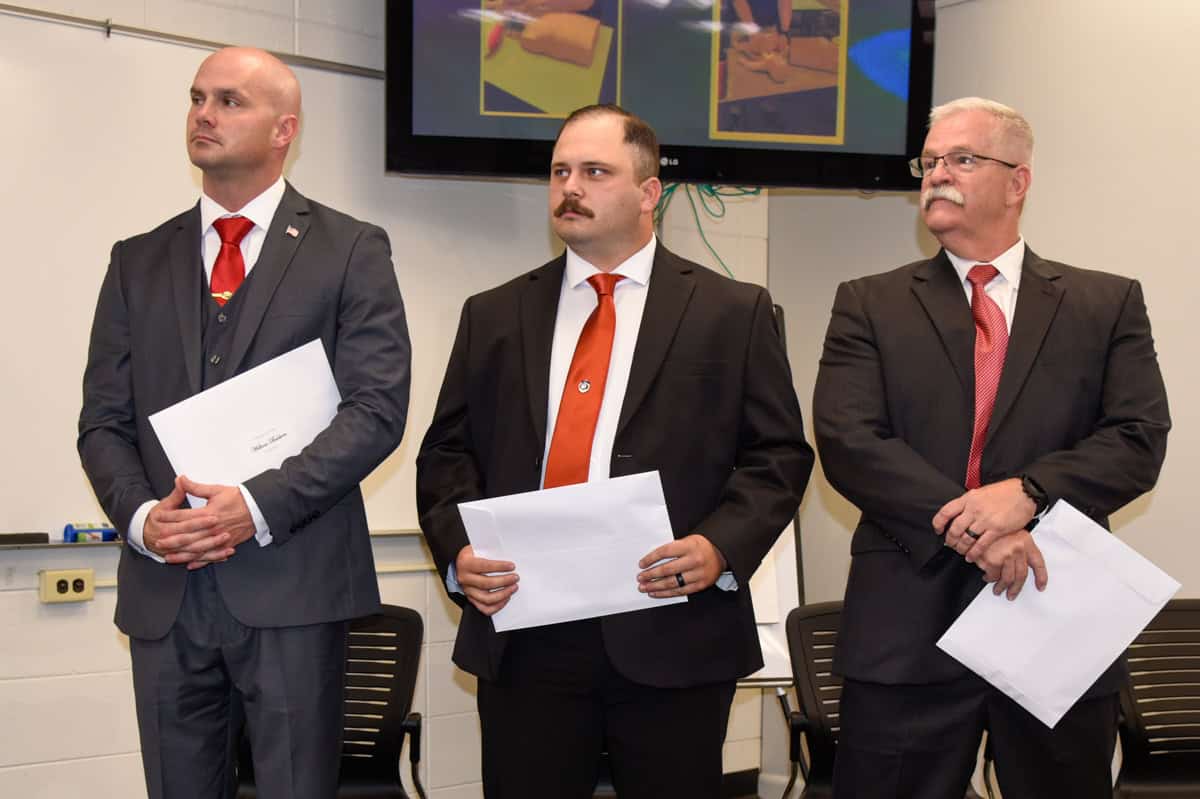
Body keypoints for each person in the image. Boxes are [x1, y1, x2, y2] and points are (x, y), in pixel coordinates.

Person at [416, 103, 812, 798]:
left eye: (595, 171)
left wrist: (720, 545)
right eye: (560, 171)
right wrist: (458, 553)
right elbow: (446, 453)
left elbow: (778, 455)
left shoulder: (732, 310)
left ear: (648, 192)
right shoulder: (494, 313)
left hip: (674, 628)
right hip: (527, 633)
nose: (571, 187)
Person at [77, 47, 411, 799]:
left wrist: (255, 505)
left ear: (284, 128)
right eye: (197, 97)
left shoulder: (351, 248)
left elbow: (376, 410)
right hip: (165, 592)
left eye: (230, 100)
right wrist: (139, 519)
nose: (203, 113)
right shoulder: (136, 261)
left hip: (294, 583)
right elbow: (101, 421)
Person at [813, 97, 1170, 797]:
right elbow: (850, 440)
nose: (938, 174)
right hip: (905, 628)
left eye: (963, 159)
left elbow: (1137, 439)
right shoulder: (868, 302)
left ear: (1018, 181)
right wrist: (981, 526)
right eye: (931, 161)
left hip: (1054, 615)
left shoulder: (1105, 303)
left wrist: (1028, 493)